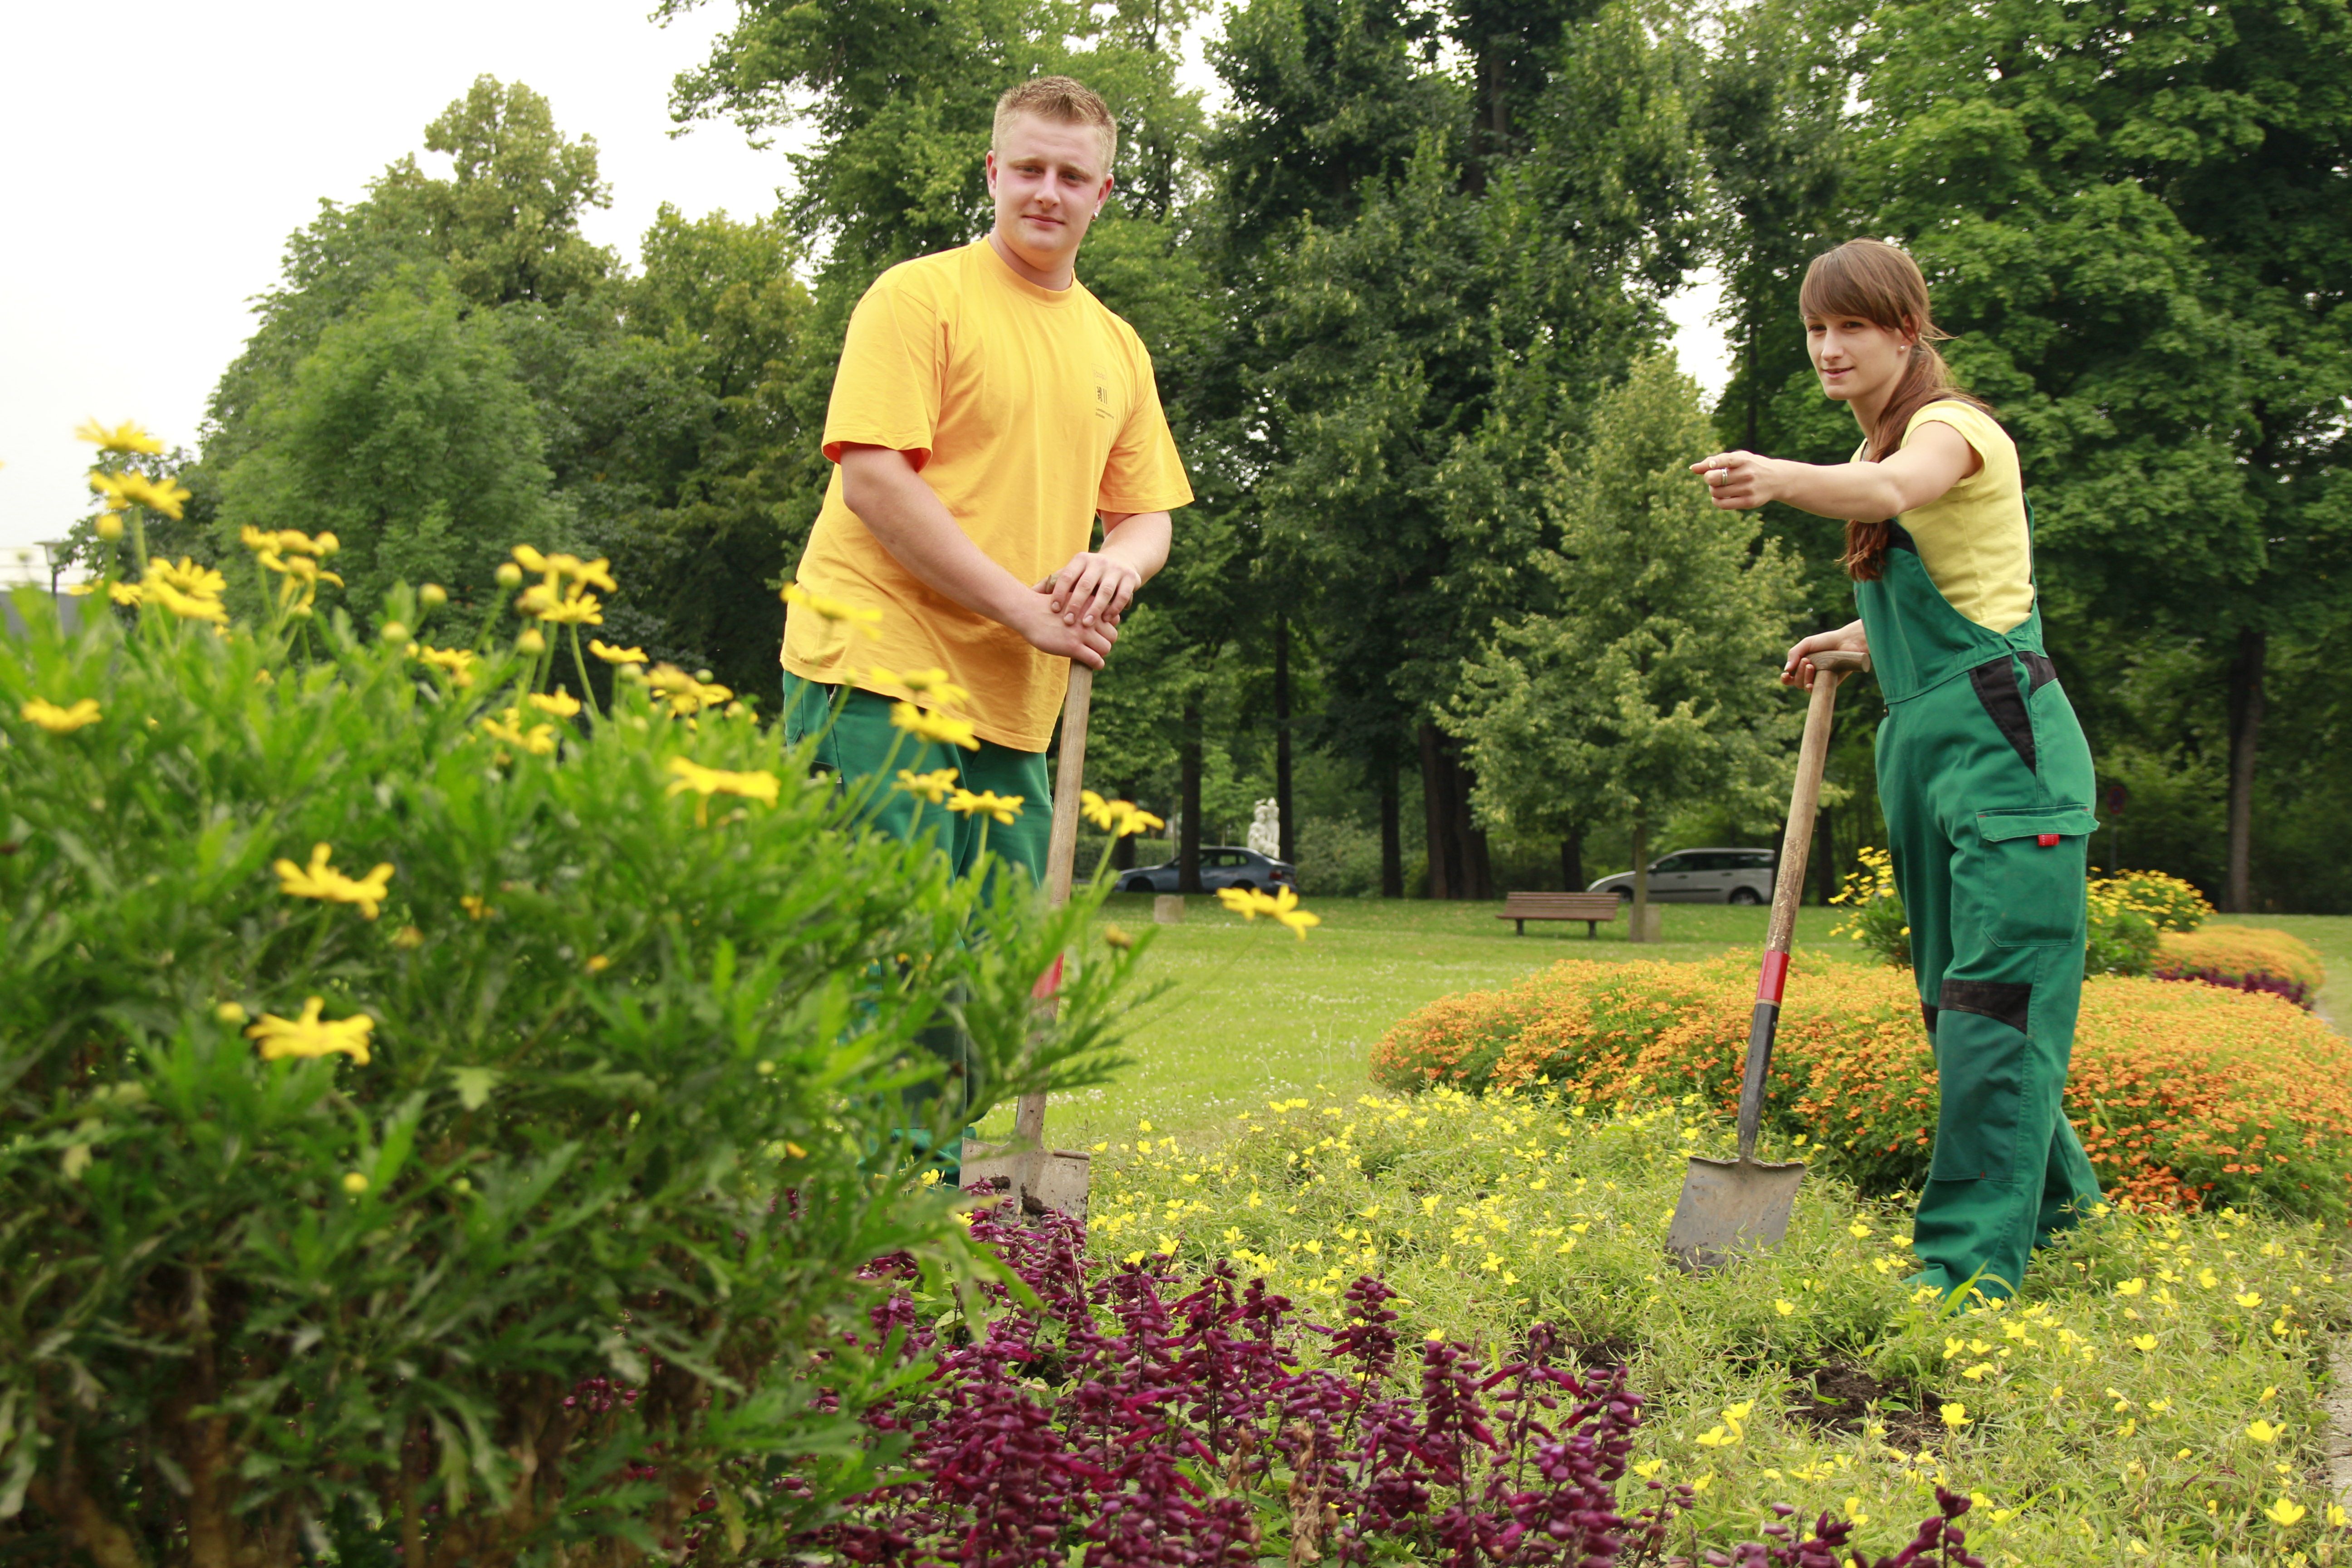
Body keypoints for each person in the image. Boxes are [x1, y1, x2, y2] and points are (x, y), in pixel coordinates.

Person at [781, 76, 1191, 1158]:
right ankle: (873, 1216)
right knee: (888, 958)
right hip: (878, 671)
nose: (1046, 192)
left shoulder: (1115, 345)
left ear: (1104, 192)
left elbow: (1147, 513)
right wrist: (1026, 609)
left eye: (1071, 175)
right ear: (994, 174)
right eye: (1028, 169)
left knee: (1009, 980)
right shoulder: (919, 299)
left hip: (1015, 700)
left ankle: (911, 1178)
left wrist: (1119, 568)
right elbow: (874, 478)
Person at [1690, 237, 2102, 1301]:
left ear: (1907, 332)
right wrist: (1861, 639)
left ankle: (1962, 1279)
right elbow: (1968, 595)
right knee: (1957, 1006)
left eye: (1851, 329)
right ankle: (2068, 1226)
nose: (1829, 349)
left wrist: (1783, 480)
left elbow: (1894, 490)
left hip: (2008, 758)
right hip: (1926, 750)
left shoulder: (1949, 433)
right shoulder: (1887, 445)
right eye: (1816, 331)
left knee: (1992, 1010)